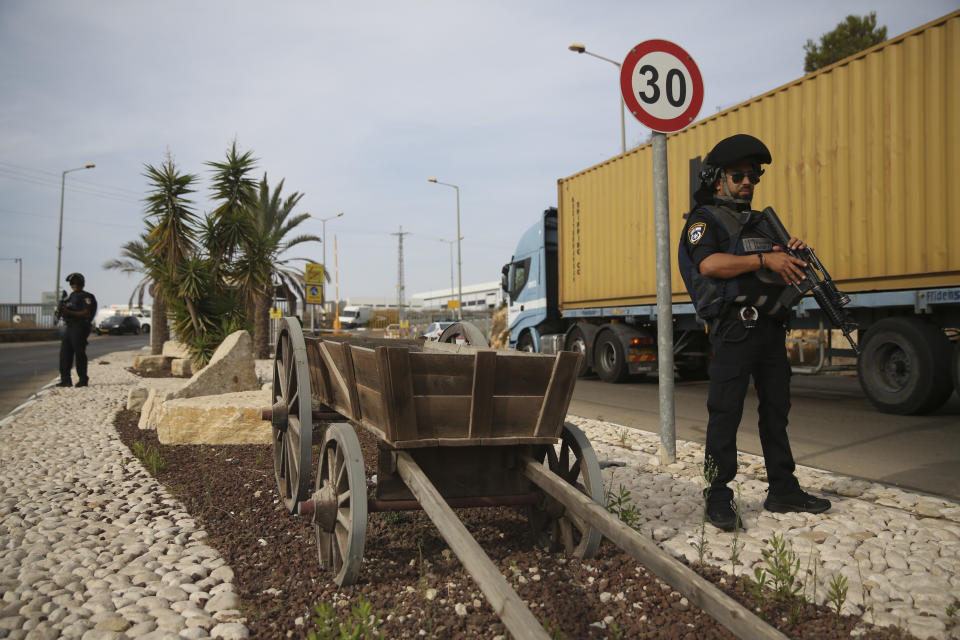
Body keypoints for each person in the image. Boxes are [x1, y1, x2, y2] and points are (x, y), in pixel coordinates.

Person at [679, 134, 831, 531]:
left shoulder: (763, 223)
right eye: (738, 175)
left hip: (769, 328)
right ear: (717, 179)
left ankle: (783, 489)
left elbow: (775, 271)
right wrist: (765, 257)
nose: (747, 182)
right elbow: (709, 265)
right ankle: (717, 495)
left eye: (753, 177)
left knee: (776, 412)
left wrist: (791, 255)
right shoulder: (704, 220)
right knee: (725, 413)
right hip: (733, 328)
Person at [57, 272, 97, 388]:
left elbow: (87, 313)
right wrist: (62, 311)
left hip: (80, 327)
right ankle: (65, 379)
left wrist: (69, 312)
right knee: (65, 354)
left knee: (79, 353)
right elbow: (64, 311)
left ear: (81, 284)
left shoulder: (87, 297)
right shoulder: (70, 297)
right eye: (72, 283)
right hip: (70, 327)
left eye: (76, 283)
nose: (74, 285)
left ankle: (83, 379)